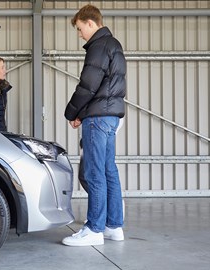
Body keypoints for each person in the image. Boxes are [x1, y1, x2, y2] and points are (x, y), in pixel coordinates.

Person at [62, 4, 126, 246]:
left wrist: (71, 112)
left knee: (94, 172)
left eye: (80, 29)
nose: (80, 34)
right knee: (109, 171)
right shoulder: (114, 44)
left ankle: (94, 229)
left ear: (90, 22)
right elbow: (103, 88)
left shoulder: (98, 46)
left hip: (98, 119)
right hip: (110, 117)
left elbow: (88, 86)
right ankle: (113, 226)